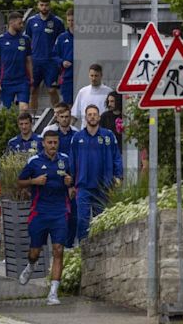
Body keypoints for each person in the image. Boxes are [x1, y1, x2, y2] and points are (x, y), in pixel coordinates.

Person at [17, 130, 73, 305]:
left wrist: (69, 183)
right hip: (39, 212)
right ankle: (31, 266)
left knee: (58, 250)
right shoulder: (34, 162)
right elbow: (19, 182)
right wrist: (34, 182)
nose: (53, 146)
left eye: (55, 143)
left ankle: (53, 293)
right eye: (49, 143)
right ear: (43, 143)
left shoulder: (65, 159)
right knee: (35, 252)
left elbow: (72, 182)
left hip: (59, 211)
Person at [69, 105, 123, 241]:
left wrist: (118, 176)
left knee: (102, 222)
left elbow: (117, 156)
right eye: (89, 114)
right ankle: (83, 252)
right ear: (86, 117)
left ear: (99, 117)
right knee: (82, 221)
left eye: (95, 114)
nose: (92, 116)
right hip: (83, 187)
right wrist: (70, 184)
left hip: (103, 187)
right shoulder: (77, 137)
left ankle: (101, 253)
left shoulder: (108, 136)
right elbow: (72, 161)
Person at [42, 104, 79, 248]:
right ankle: (56, 244)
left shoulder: (76, 134)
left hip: (72, 178)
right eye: (62, 117)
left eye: (67, 117)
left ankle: (69, 245)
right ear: (57, 118)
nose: (64, 119)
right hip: (55, 179)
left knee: (73, 216)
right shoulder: (50, 132)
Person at [25, 0, 65, 111]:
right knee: (33, 90)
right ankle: (32, 119)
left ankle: (57, 115)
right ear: (38, 5)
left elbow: (62, 42)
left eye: (46, 5)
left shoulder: (57, 22)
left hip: (51, 62)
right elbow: (27, 41)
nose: (44, 7)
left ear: (50, 5)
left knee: (52, 90)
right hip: (35, 62)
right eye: (41, 5)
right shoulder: (31, 21)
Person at [0, 11, 33, 112]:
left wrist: (31, 77)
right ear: (11, 23)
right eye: (20, 23)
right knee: (6, 110)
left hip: (22, 80)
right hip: (6, 80)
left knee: (24, 108)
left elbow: (28, 60)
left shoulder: (25, 39)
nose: (22, 25)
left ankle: (22, 127)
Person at [71, 64, 113, 129]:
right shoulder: (82, 92)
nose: (93, 78)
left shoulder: (108, 92)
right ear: (89, 75)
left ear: (101, 76)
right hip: (85, 131)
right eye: (92, 76)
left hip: (103, 130)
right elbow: (75, 115)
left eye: (96, 76)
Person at [53, 8, 74, 106]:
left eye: (73, 20)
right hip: (67, 76)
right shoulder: (62, 37)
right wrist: (62, 62)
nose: (71, 23)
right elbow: (54, 55)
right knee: (68, 105)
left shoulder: (84, 37)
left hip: (83, 74)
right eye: (69, 20)